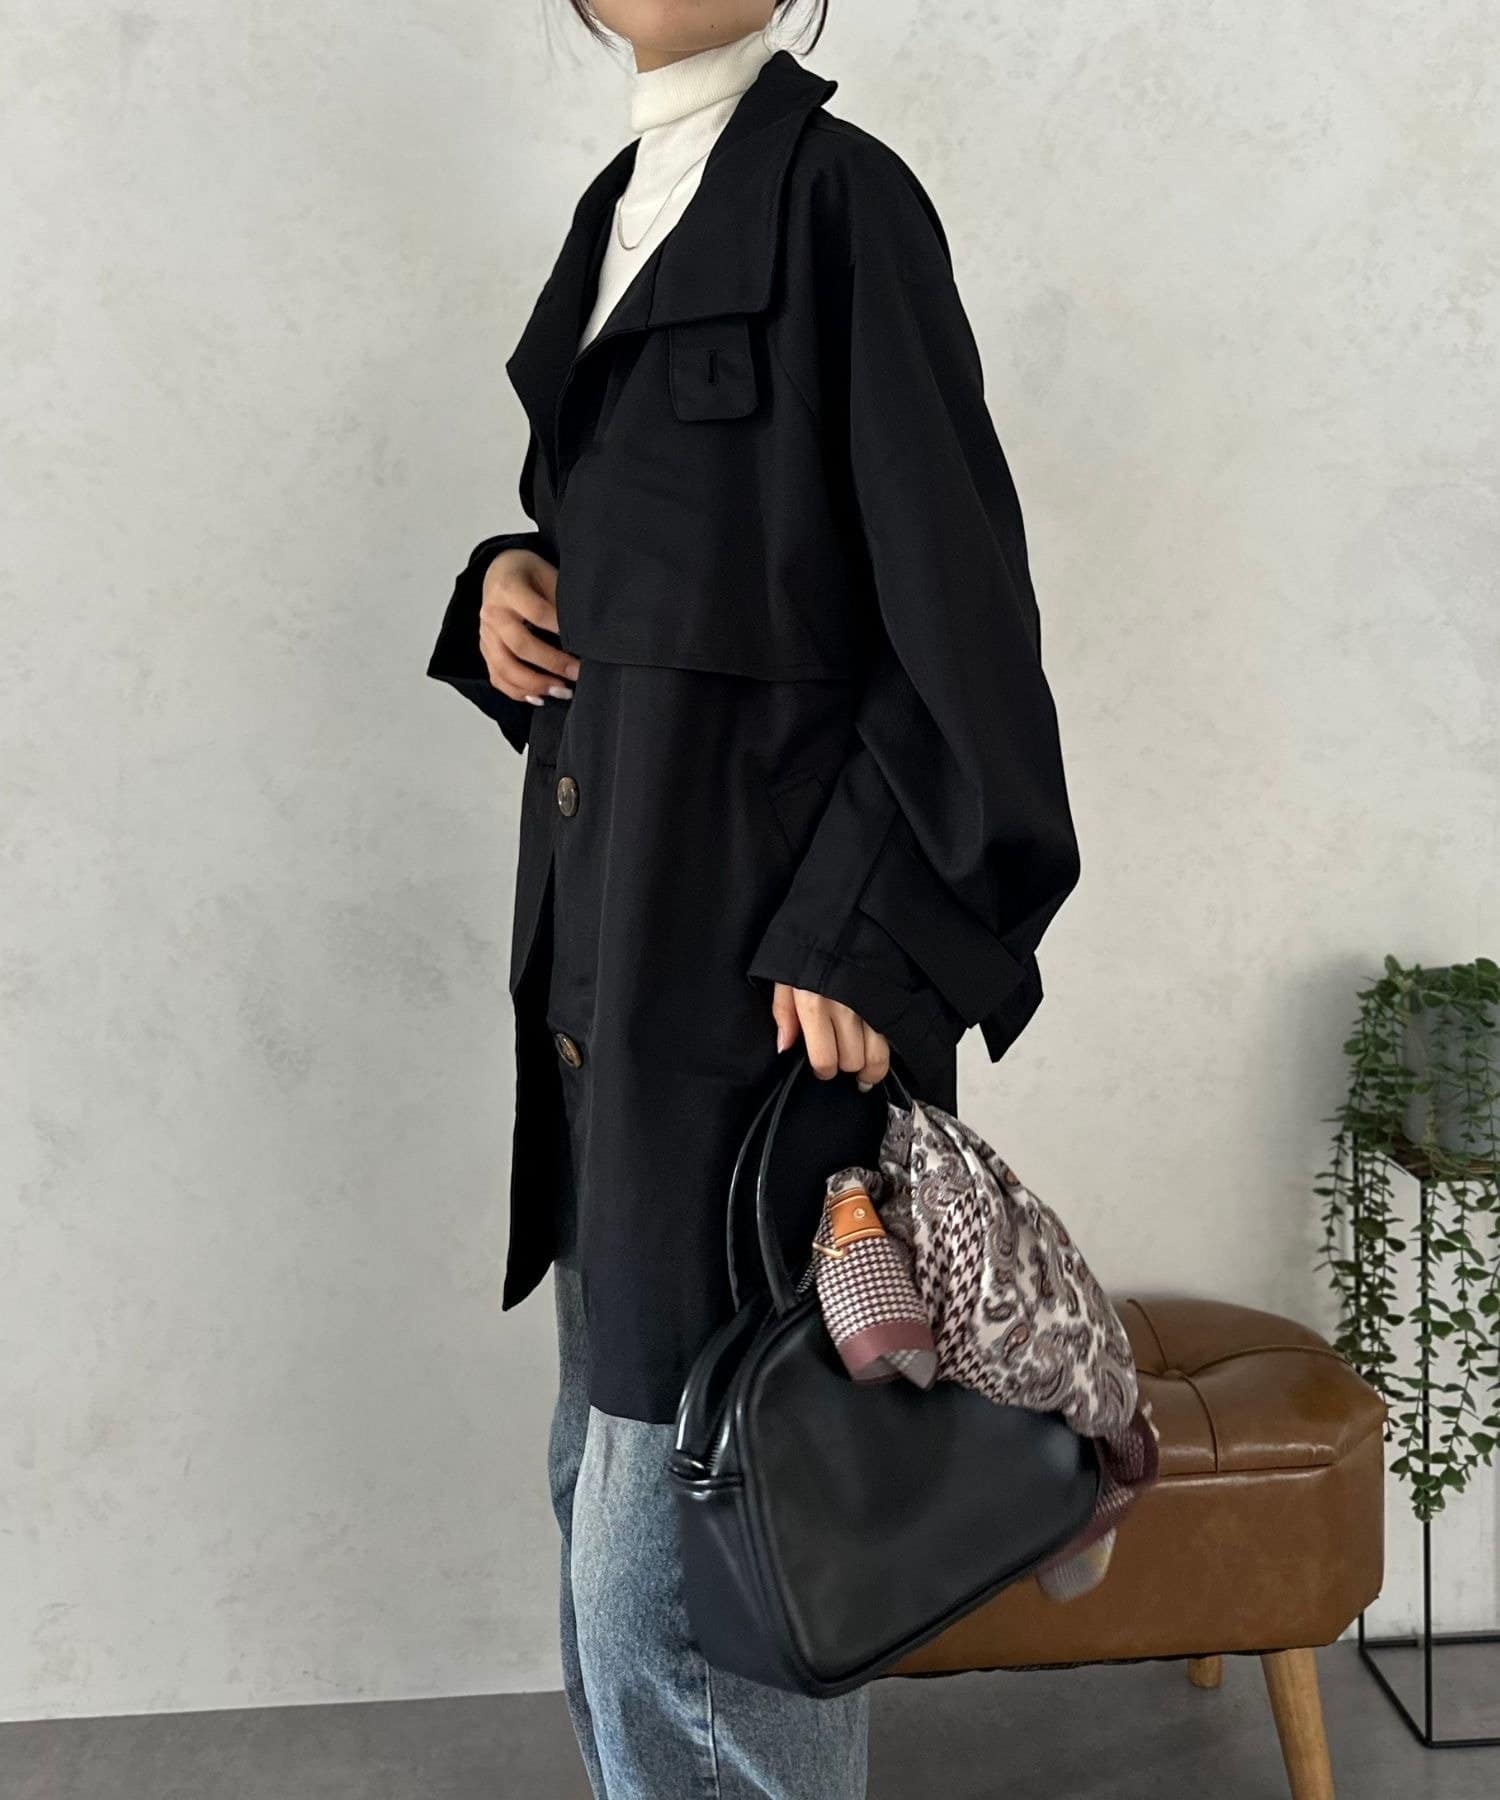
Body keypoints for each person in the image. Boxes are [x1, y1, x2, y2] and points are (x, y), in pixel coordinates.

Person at [427, 3, 1082, 1793]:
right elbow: (693, 584)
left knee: (704, 1584)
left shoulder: (839, 202)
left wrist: (877, 934)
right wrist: (511, 578)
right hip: (608, 1009)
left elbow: (963, 630)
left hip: (763, 1023)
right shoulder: (623, 209)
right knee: (610, 1521)